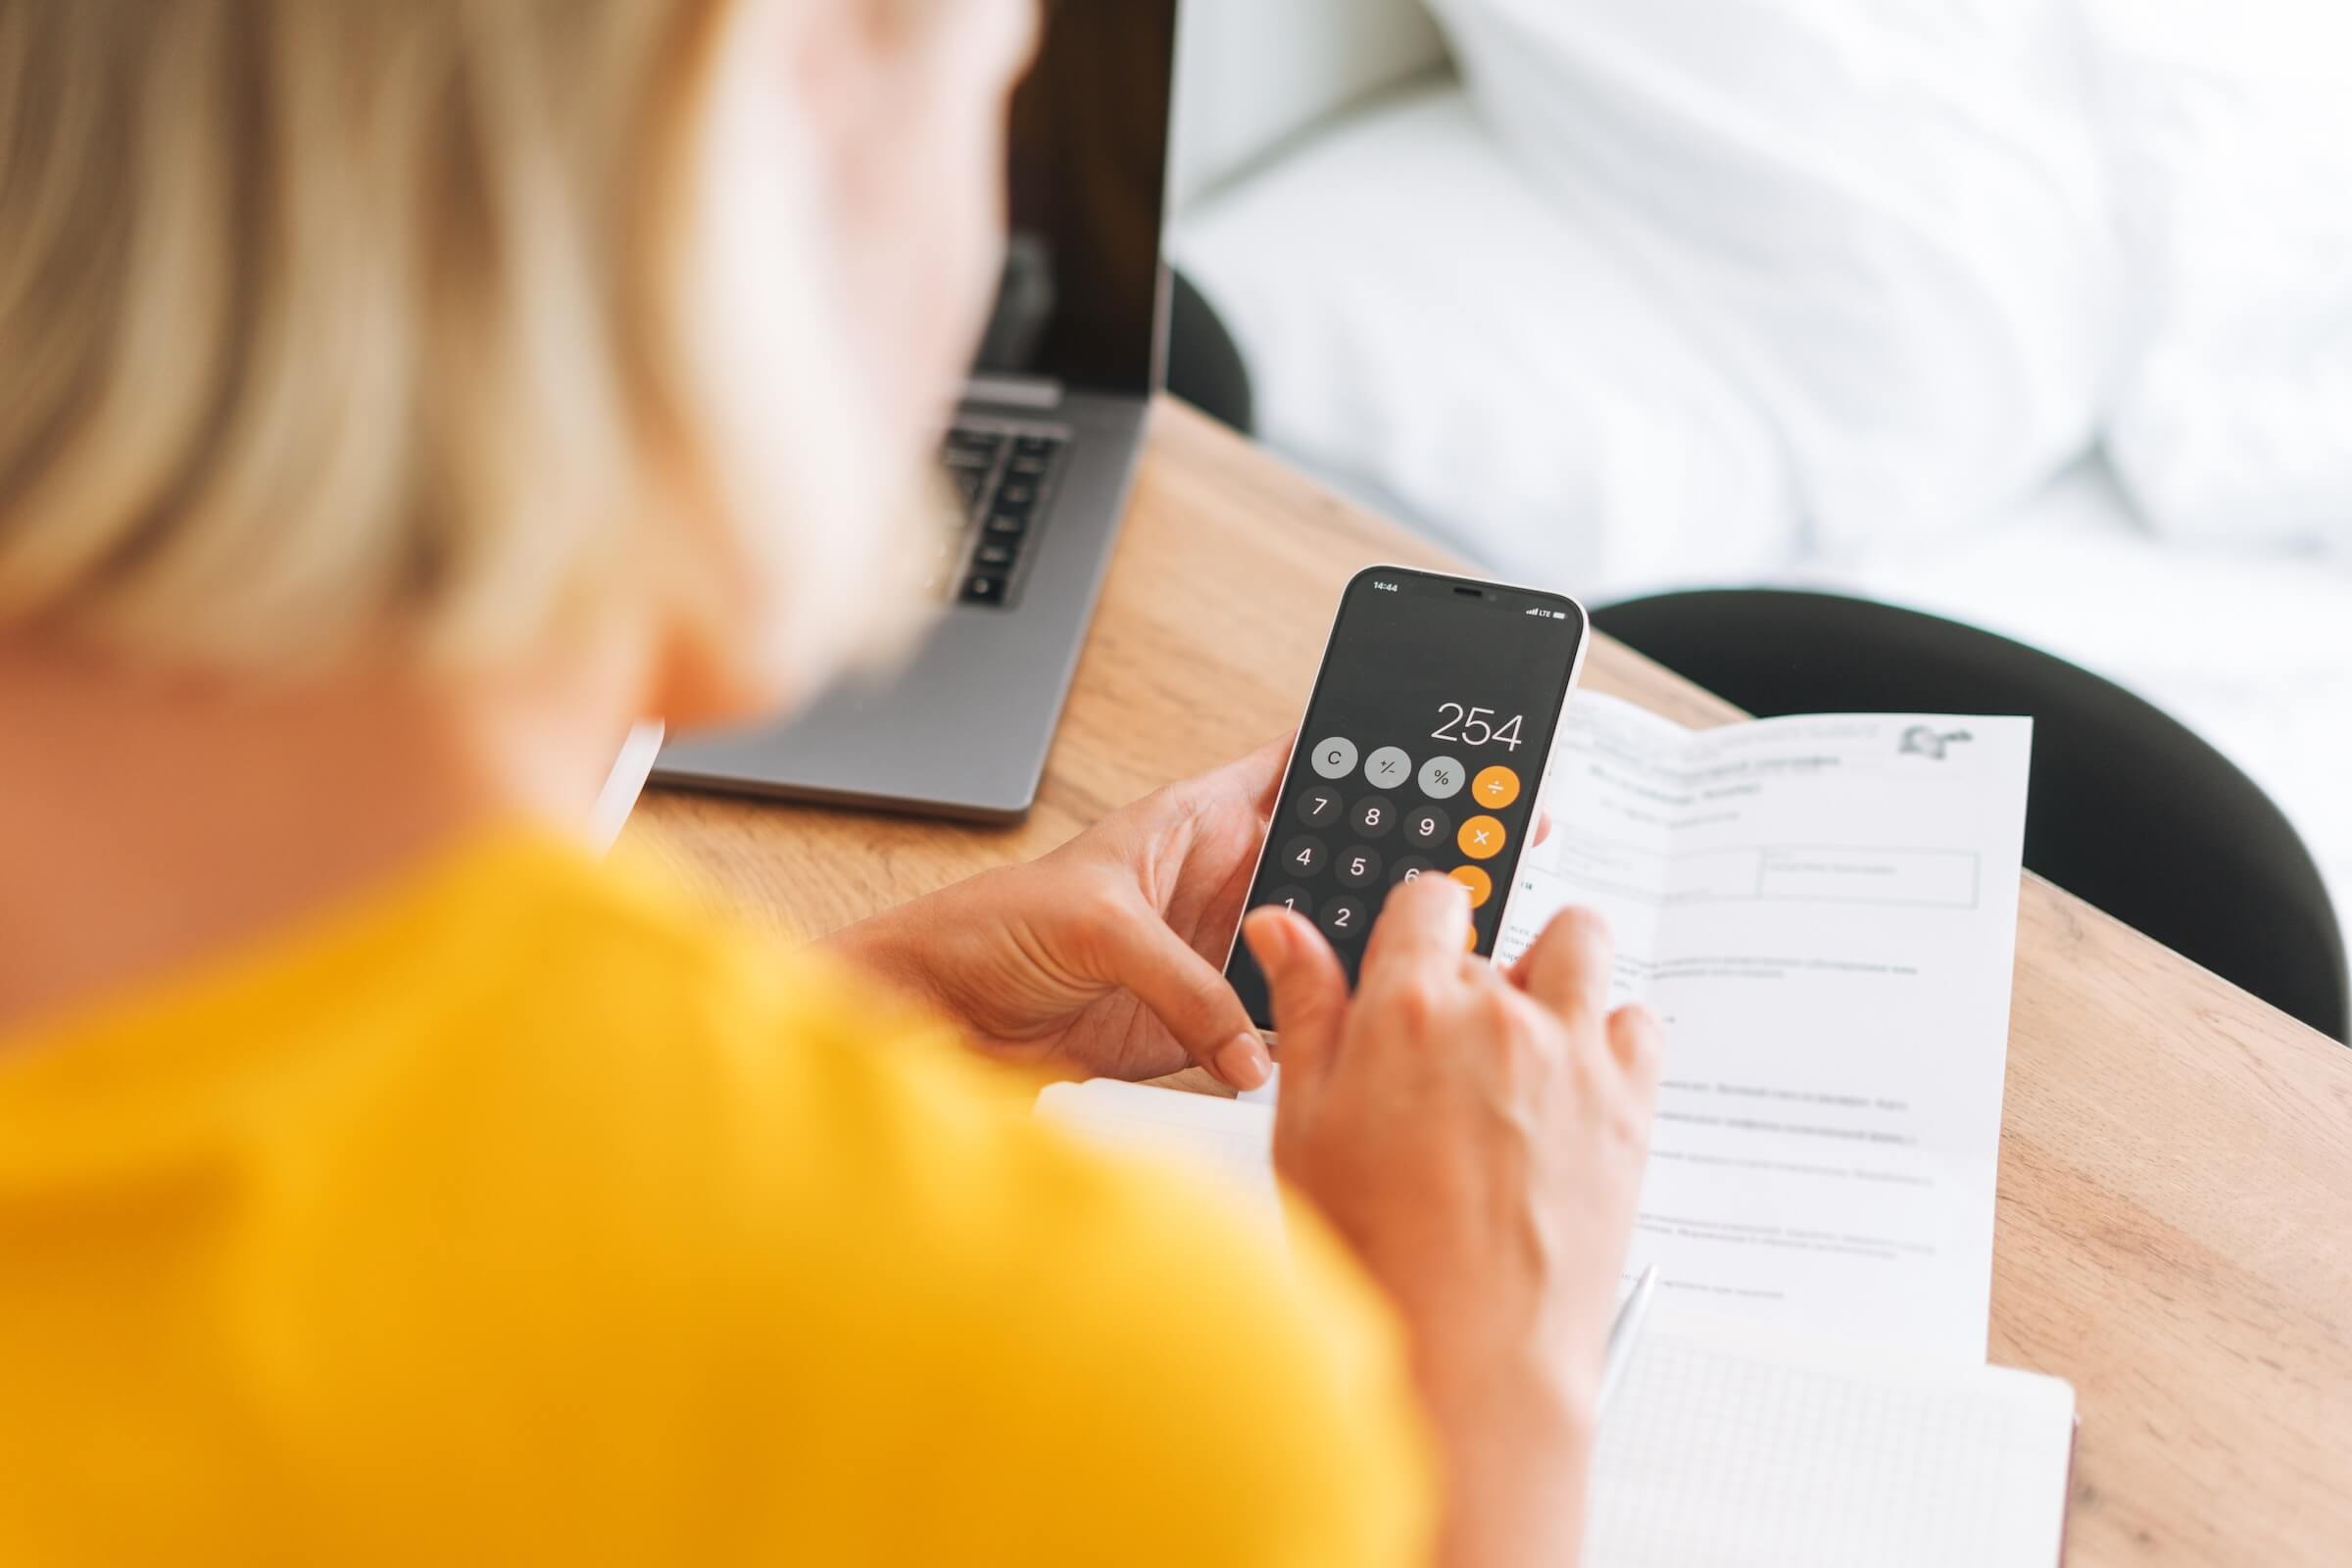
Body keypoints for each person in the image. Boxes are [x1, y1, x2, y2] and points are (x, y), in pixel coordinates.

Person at [0, 2, 1662, 1563]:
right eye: (979, 99)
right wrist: (1472, 1396)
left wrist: (835, 1027)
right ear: (750, 162)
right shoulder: (1120, 1413)